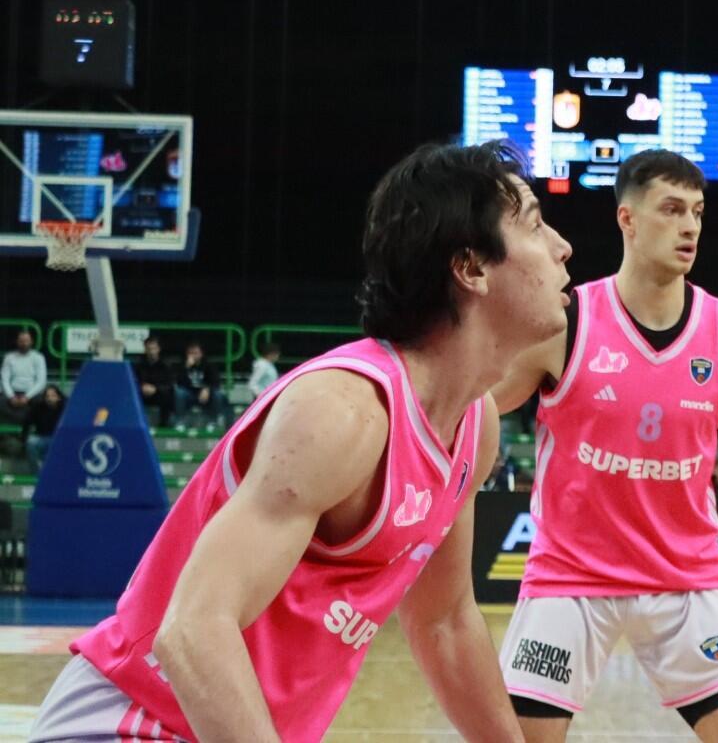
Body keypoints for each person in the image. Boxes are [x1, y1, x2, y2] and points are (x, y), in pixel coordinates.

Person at [30, 140, 573, 742]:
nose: (562, 247)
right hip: (133, 721)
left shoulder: (475, 425)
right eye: (534, 225)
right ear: (470, 268)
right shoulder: (344, 413)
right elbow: (193, 630)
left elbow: (443, 622)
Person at [492, 148, 718, 743]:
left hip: (689, 582)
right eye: (671, 209)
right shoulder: (567, 323)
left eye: (698, 212)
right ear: (627, 219)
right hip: (570, 580)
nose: (690, 226)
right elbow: (473, 411)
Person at [1, 328, 47, 425]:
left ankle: (24, 423)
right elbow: (4, 379)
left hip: (31, 393)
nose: (24, 343)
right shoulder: (9, 357)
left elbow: (41, 381)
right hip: (13, 392)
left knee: (42, 403)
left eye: (26, 341)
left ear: (31, 342)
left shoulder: (38, 357)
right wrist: (11, 396)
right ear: (17, 342)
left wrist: (27, 397)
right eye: (21, 341)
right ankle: (21, 422)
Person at [175, 340, 224, 427]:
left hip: (205, 396)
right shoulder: (182, 365)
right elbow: (179, 383)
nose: (193, 356)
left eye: (196, 353)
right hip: (190, 395)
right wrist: (186, 367)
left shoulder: (208, 365)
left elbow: (216, 382)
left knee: (218, 394)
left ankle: (214, 421)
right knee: (179, 393)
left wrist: (207, 389)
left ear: (201, 354)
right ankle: (180, 421)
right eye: (190, 353)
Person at [134, 337, 176, 429]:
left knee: (168, 395)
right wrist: (141, 387)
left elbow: (170, 384)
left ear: (158, 349)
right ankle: (135, 424)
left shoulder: (166, 365)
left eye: (154, 349)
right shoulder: (139, 364)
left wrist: (156, 389)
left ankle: (164, 425)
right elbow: (133, 381)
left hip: (159, 394)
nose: (152, 352)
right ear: (145, 349)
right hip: (142, 393)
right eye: (149, 349)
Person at [25, 382, 66, 471]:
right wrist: (24, 437)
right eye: (47, 396)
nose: (50, 398)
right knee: (31, 442)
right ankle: (37, 472)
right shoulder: (38, 407)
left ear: (59, 397)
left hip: (57, 437)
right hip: (41, 436)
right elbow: (27, 422)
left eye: (53, 396)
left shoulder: (65, 408)